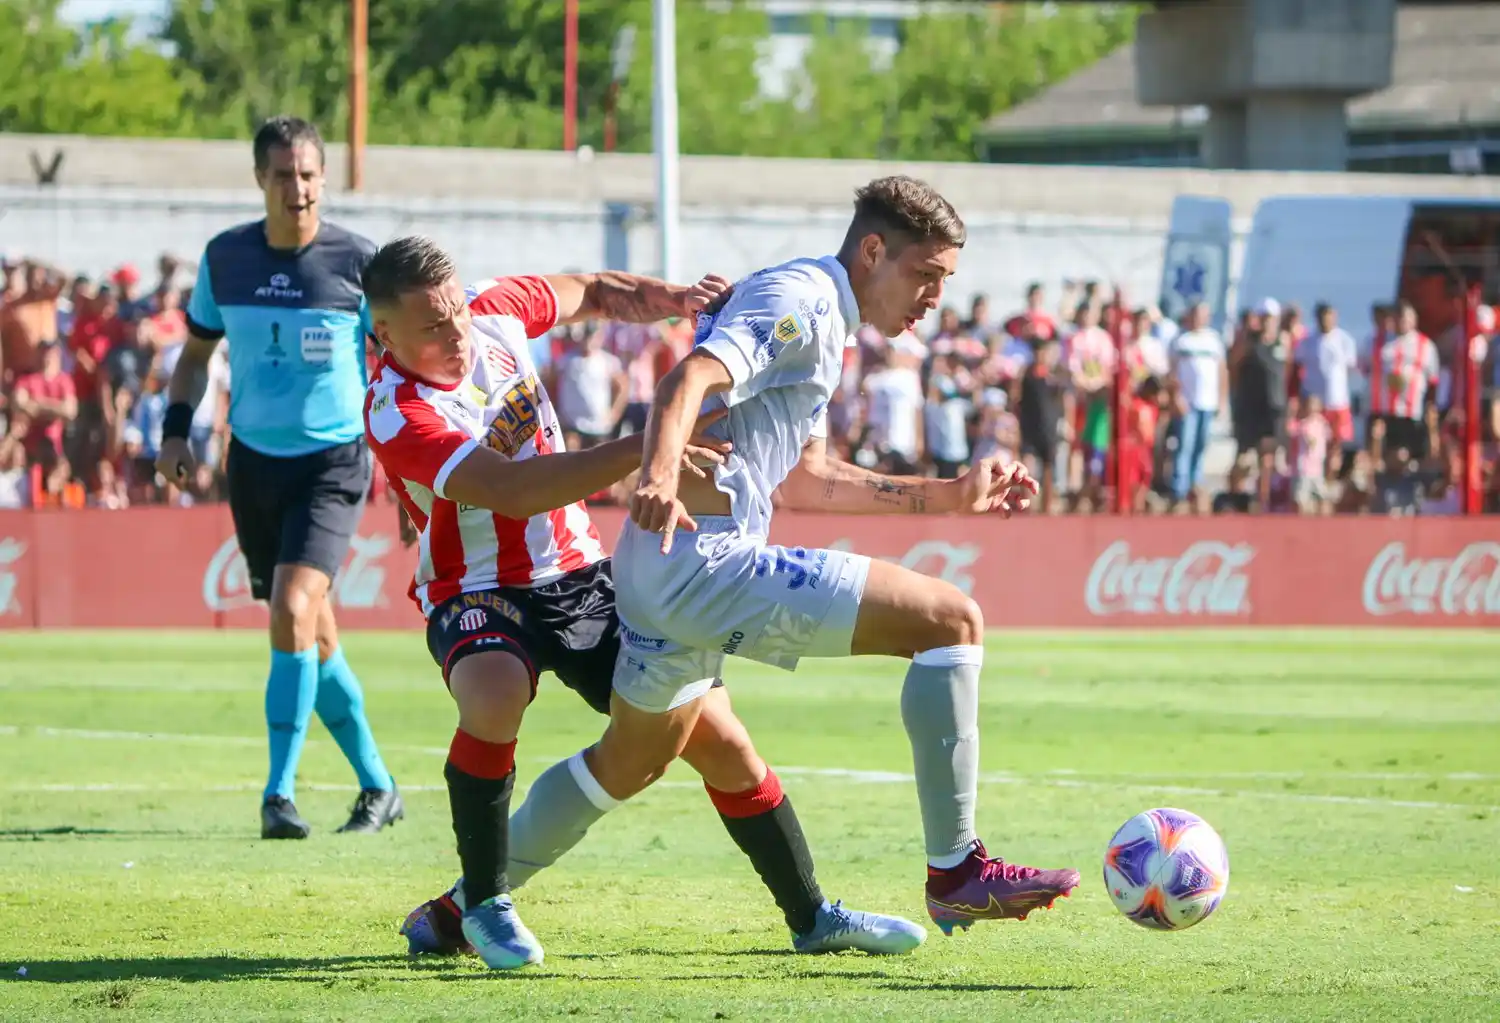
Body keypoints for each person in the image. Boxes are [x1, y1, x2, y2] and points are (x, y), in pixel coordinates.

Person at [361, 236, 925, 969]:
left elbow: (597, 289)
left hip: (582, 574)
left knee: (720, 740)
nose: (456, 334)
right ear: (385, 334)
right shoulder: (397, 410)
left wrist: (674, 300)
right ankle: (487, 903)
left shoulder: (493, 310)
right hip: (478, 589)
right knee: (493, 692)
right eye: (433, 328)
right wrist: (649, 443)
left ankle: (813, 916)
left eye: (456, 314)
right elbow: (513, 489)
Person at [597, 176, 1080, 938]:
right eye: (926, 275)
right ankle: (957, 870)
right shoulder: (806, 301)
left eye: (946, 281)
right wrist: (657, 475)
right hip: (703, 560)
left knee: (624, 764)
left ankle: (467, 904)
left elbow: (809, 478)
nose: (934, 299)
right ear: (874, 250)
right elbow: (688, 378)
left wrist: (951, 494)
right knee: (951, 621)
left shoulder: (823, 312)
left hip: (663, 566)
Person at [156, 116, 398, 840]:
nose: (299, 187)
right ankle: (380, 786)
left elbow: (398, 370)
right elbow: (195, 358)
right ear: (261, 179)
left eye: (309, 174)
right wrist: (175, 432)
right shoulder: (225, 258)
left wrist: (411, 475)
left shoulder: (359, 262)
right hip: (254, 465)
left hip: (334, 463)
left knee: (293, 605)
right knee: (312, 632)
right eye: (284, 174)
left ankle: (278, 795)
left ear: (324, 179)